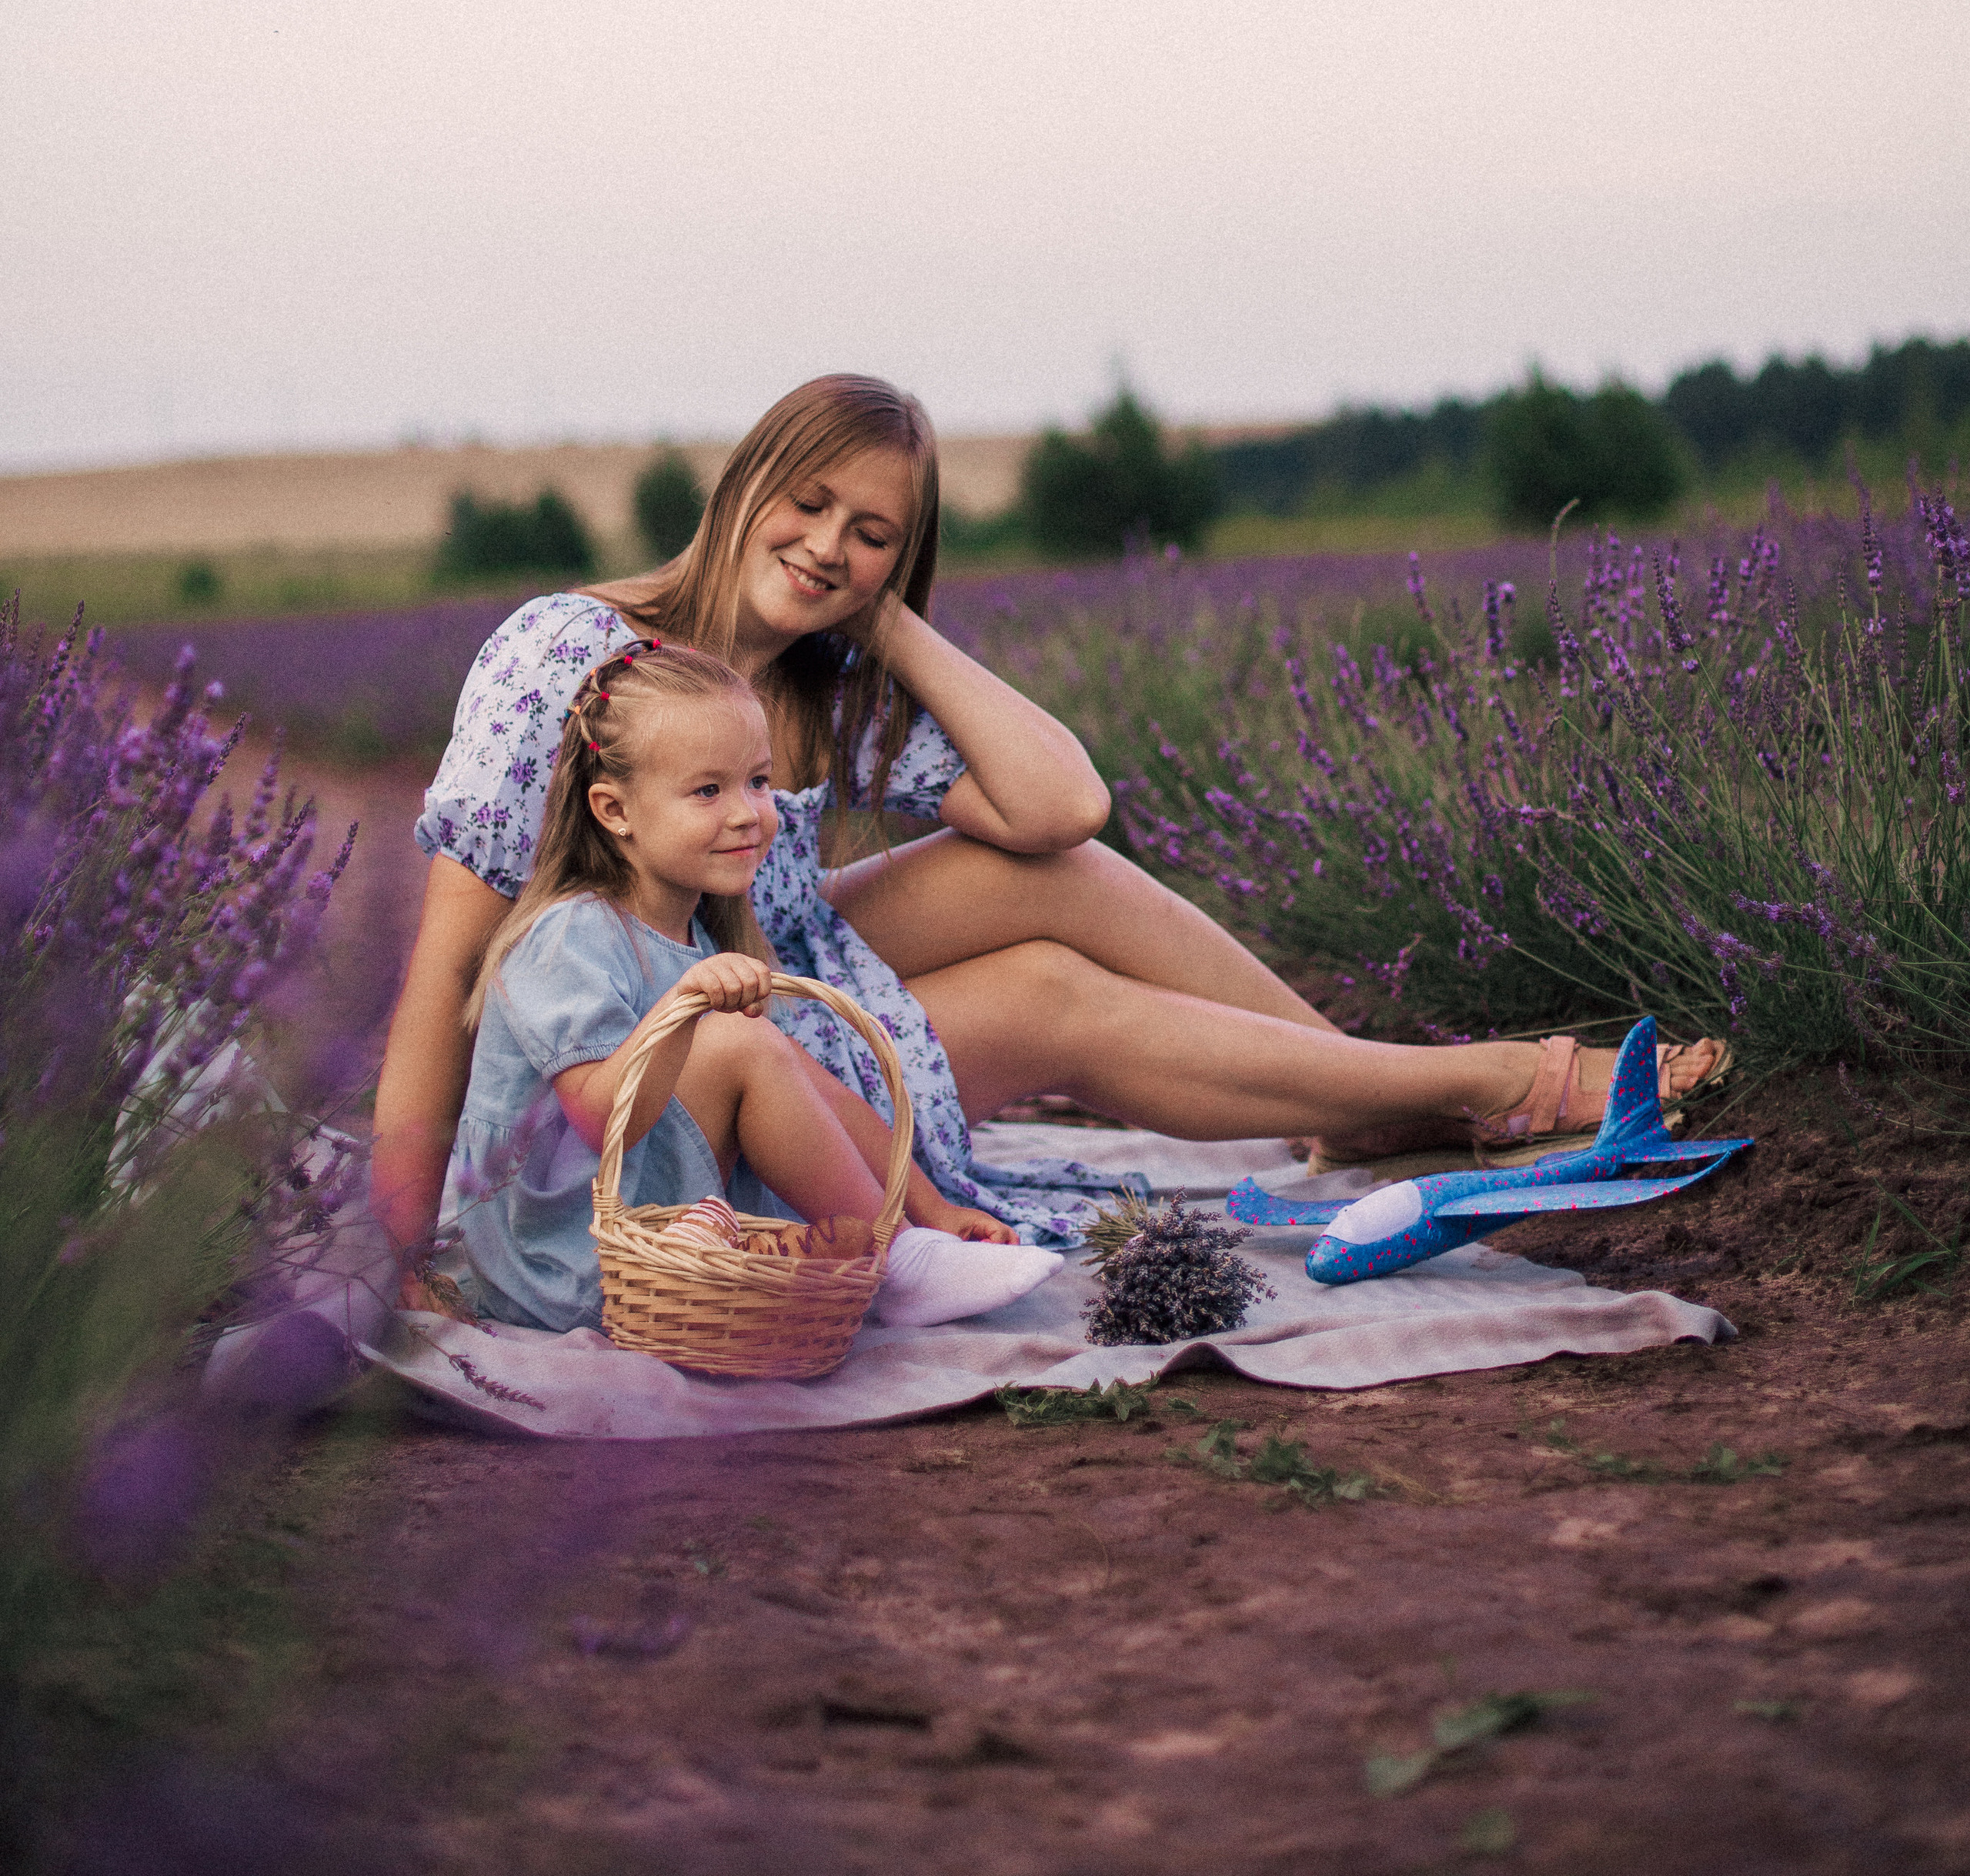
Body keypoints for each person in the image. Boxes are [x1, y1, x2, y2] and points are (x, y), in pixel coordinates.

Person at [374, 373, 1725, 1282]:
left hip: (775, 977)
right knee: (1051, 996)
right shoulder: (568, 651)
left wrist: (885, 620)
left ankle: (1356, 1093)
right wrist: (403, 1247)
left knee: (1051, 874)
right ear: (744, 485)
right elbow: (448, 973)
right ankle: (1477, 1084)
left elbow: (1062, 808)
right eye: (809, 506)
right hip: (678, 1062)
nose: (828, 545)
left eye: (874, 533)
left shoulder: (823, 683)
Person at [451, 635, 1057, 1333]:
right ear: (615, 811)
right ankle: (894, 1268)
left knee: (770, 1049)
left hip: (665, 1229)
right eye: (708, 790)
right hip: (564, 1255)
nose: (747, 813)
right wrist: (684, 1009)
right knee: (743, 1043)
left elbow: (810, 1082)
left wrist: (927, 1204)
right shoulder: (567, 936)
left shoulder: (697, 930)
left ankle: (901, 1234)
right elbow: (598, 1117)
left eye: (758, 782)